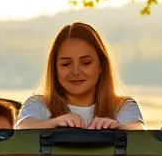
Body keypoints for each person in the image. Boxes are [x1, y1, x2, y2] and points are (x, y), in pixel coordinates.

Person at [15, 23, 145, 131]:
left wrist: (119, 127)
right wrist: (55, 123)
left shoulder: (123, 106)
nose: (75, 71)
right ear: (55, 69)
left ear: (101, 66)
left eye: (86, 63)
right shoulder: (39, 104)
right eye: (66, 64)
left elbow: (139, 130)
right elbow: (23, 127)